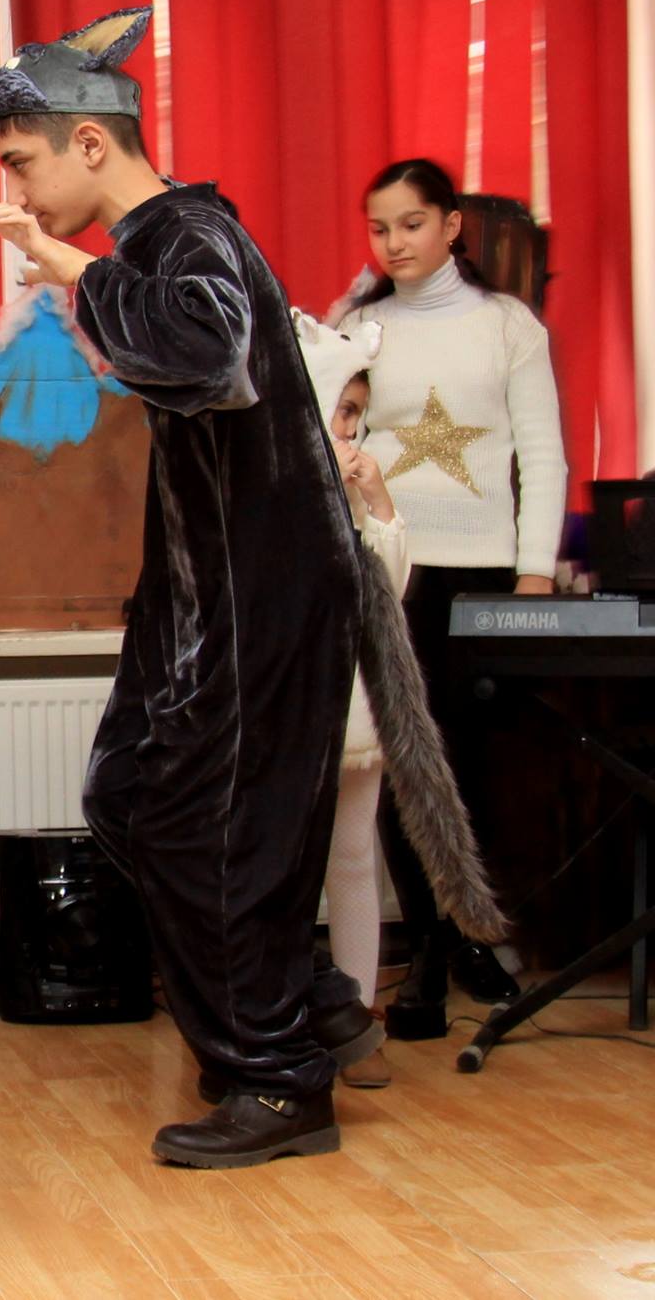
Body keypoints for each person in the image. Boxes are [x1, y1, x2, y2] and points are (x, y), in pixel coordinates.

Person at [0, 8, 372, 1168]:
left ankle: (276, 1079)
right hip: (212, 589)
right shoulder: (168, 239)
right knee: (130, 796)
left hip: (260, 593)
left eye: (22, 161)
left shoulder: (185, 234)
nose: (14, 189)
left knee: (213, 824)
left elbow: (203, 354)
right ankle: (304, 1008)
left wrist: (72, 266)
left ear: (90, 144)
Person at [338, 158, 567, 1037]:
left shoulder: (507, 326)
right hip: (391, 568)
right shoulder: (359, 329)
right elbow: (334, 439)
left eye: (411, 224)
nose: (394, 243)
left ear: (451, 225)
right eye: (379, 228)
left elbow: (541, 453)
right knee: (402, 760)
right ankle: (428, 953)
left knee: (474, 761)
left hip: (484, 572)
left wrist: (534, 571)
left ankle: (475, 935)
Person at [296, 316, 406, 1089]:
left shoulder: (361, 491)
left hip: (357, 704)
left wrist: (378, 502)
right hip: (298, 700)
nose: (348, 428)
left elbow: (389, 590)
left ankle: (358, 1019)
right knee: (289, 864)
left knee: (354, 857)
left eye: (356, 415)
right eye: (338, 409)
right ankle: (291, 1019)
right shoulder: (283, 481)